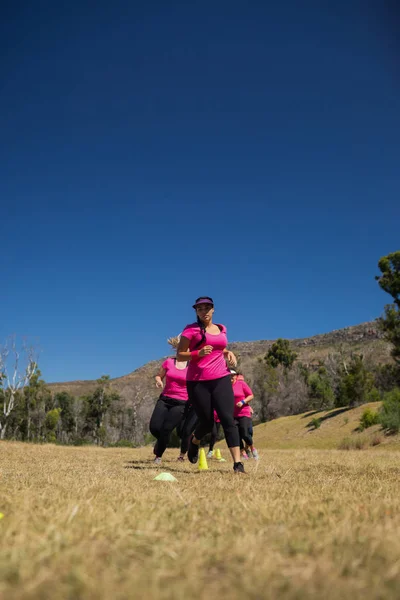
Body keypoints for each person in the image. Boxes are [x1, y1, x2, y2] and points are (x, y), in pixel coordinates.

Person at [177, 296, 246, 474]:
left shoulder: (221, 329)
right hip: (197, 381)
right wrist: (197, 353)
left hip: (221, 378)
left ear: (213, 309)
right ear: (196, 311)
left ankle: (238, 464)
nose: (204, 311)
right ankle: (194, 441)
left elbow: (218, 348)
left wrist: (228, 352)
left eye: (207, 308)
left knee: (227, 419)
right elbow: (180, 355)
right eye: (200, 309)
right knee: (207, 423)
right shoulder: (190, 330)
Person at [150, 336, 189, 463]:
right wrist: (159, 381)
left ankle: (158, 456)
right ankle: (162, 441)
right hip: (165, 399)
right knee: (155, 427)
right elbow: (158, 376)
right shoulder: (169, 362)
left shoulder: (193, 365)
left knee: (167, 429)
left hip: (181, 402)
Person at [230, 370, 259, 460]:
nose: (230, 377)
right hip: (232, 414)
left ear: (236, 376)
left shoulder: (241, 384)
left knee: (245, 433)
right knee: (236, 435)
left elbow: (250, 395)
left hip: (244, 412)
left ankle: (252, 448)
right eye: (228, 375)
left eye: (232, 375)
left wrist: (243, 402)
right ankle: (243, 454)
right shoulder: (226, 387)